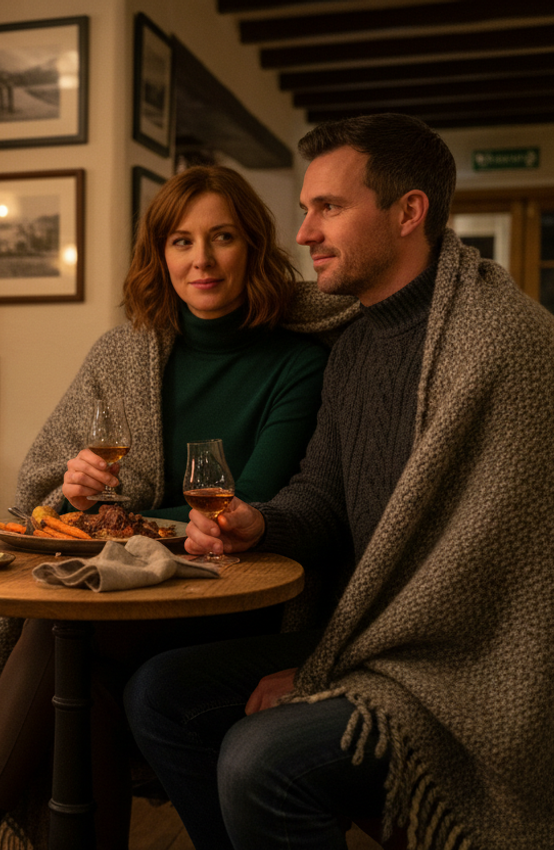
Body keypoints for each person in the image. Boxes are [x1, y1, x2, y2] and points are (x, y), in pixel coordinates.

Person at [124, 113, 554, 850]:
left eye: (329, 207)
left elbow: (495, 586)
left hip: (461, 665)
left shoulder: (507, 344)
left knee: (259, 758)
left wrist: (331, 674)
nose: (304, 233)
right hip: (364, 635)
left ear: (408, 211)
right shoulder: (353, 345)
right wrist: (258, 523)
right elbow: (320, 496)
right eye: (305, 209)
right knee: (160, 694)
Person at [0, 165, 356, 849]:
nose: (202, 260)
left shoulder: (296, 364)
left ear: (251, 245)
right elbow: (46, 491)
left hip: (228, 595)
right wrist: (74, 489)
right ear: (160, 255)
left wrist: (130, 515)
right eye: (181, 242)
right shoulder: (124, 353)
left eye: (221, 238)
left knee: (64, 628)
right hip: (125, 587)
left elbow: (246, 504)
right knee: (83, 675)